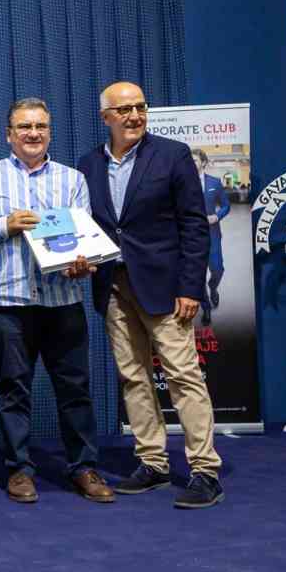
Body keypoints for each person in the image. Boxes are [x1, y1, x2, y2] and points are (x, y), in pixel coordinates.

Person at [78, 82, 224, 509]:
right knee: (133, 376)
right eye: (124, 109)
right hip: (113, 286)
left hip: (166, 288)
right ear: (105, 117)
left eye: (140, 107)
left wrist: (190, 287)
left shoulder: (172, 155)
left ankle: (205, 471)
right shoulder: (88, 164)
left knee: (183, 376)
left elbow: (195, 225)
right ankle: (153, 463)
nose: (134, 115)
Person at [0, 98, 113, 505]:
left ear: (50, 131)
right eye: (24, 126)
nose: (33, 133)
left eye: (41, 126)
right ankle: (19, 469)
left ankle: (83, 467)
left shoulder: (72, 180)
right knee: (13, 390)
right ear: (9, 134)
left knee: (75, 390)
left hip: (64, 301)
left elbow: (85, 236)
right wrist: (4, 224)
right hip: (10, 302)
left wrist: (82, 263)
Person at [194, 148, 230, 325]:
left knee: (218, 269)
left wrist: (217, 216)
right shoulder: (182, 182)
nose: (191, 163)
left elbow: (226, 206)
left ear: (203, 162)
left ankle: (213, 287)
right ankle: (206, 308)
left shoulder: (215, 182)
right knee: (198, 274)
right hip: (191, 236)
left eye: (194, 160)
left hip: (212, 233)